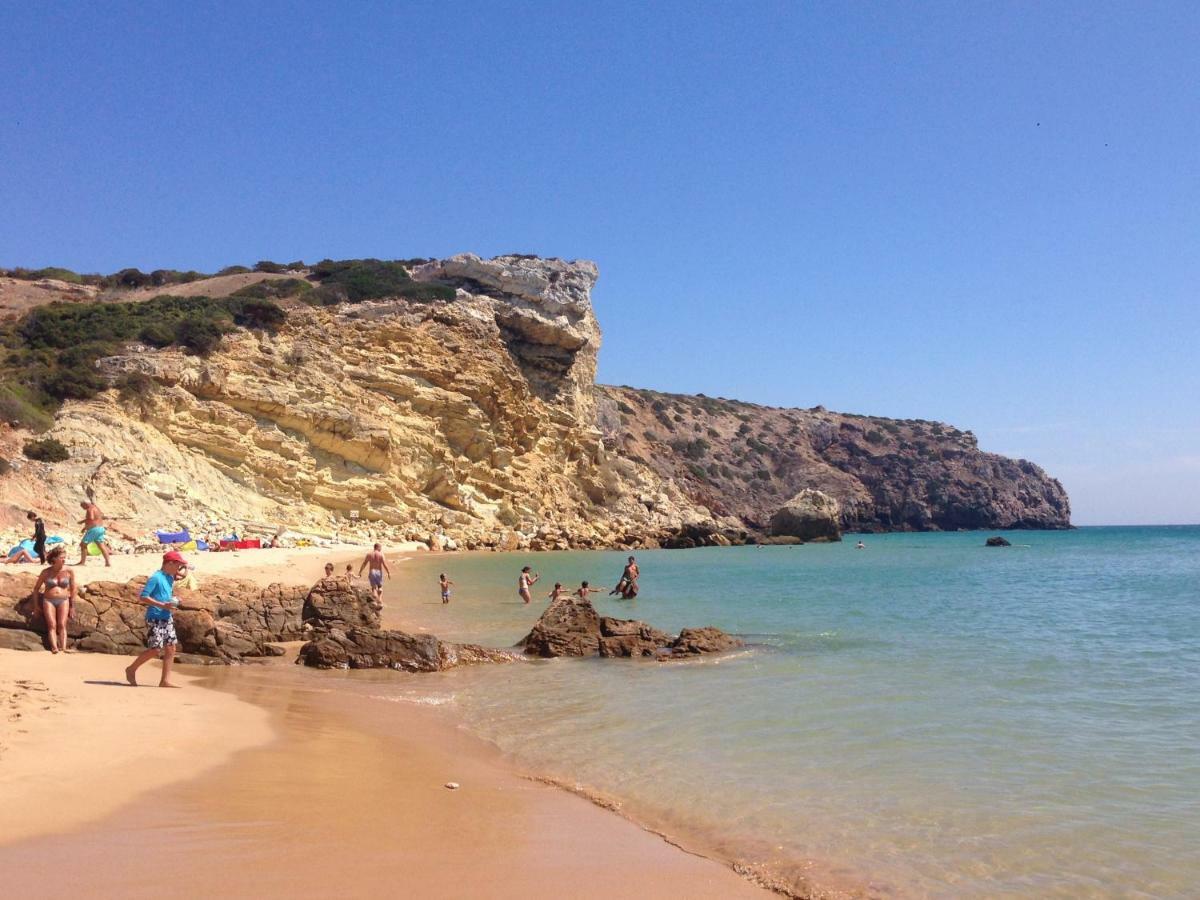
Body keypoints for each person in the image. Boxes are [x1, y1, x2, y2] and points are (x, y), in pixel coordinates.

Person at [124, 551, 189, 688]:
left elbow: (181, 577)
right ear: (169, 563)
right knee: (155, 649)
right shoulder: (156, 577)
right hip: (155, 617)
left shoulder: (170, 577)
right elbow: (143, 596)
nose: (179, 568)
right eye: (177, 565)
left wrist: (174, 600)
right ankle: (131, 669)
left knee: (171, 648)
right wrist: (162, 605)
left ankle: (164, 680)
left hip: (167, 616)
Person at [33, 547, 74, 653]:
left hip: (64, 600)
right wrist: (36, 606)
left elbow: (73, 589)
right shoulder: (46, 572)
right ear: (54, 559)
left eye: (65, 557)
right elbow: (36, 589)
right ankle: (54, 647)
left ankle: (63, 647)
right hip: (48, 600)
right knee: (52, 625)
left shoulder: (69, 571)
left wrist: (72, 606)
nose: (64, 559)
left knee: (62, 624)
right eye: (62, 558)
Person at [76, 499, 111, 567]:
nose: (82, 508)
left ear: (86, 504)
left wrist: (82, 522)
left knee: (83, 545)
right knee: (101, 546)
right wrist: (85, 528)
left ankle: (82, 562)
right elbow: (96, 519)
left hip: (94, 529)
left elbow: (91, 518)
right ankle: (108, 563)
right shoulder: (96, 508)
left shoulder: (90, 509)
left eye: (82, 506)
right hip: (100, 528)